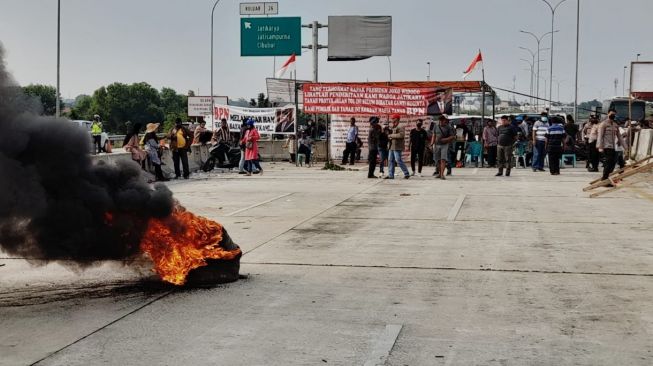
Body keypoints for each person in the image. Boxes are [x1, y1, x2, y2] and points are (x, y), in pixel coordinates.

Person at [385, 113, 410, 180]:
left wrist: (390, 136)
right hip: (391, 146)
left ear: (397, 119)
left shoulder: (400, 126)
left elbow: (401, 135)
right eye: (392, 118)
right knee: (390, 160)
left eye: (393, 118)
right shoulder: (393, 126)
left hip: (397, 146)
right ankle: (391, 175)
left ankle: (406, 173)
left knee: (398, 160)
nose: (392, 119)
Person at [432, 115, 455, 180]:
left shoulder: (448, 127)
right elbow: (434, 135)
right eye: (440, 120)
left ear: (444, 120)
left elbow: (452, 136)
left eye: (443, 120)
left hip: (444, 145)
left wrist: (445, 139)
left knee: (443, 159)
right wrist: (432, 144)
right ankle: (439, 173)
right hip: (436, 145)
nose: (441, 121)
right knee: (437, 160)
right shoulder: (436, 126)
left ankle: (442, 174)